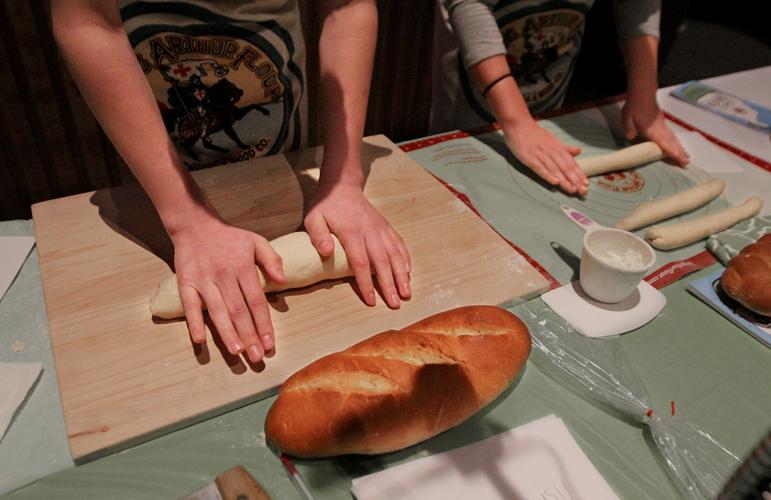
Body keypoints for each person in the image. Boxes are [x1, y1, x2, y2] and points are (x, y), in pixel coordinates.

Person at [51, 0, 411, 365]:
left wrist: (343, 179)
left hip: (279, 139)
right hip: (149, 157)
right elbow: (87, 22)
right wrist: (187, 217)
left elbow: (347, 5)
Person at [431, 0, 690, 196]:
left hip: (549, 92)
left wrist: (644, 90)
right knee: (463, 177)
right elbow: (468, 3)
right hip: (473, 88)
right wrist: (516, 120)